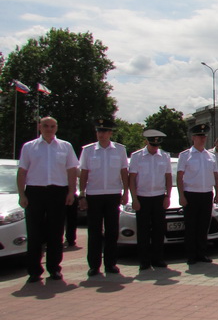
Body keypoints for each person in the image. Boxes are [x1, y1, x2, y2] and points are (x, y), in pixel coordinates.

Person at [17, 116, 79, 282]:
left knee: (56, 233)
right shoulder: (29, 147)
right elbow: (22, 172)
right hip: (35, 192)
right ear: (39, 127)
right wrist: (22, 194)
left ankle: (54, 269)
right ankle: (34, 271)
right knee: (34, 233)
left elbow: (72, 170)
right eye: (45, 126)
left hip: (57, 192)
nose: (49, 129)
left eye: (52, 126)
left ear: (56, 128)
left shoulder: (65, 146)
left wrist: (71, 192)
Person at [78, 118, 129, 277]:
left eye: (105, 131)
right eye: (99, 131)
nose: (102, 134)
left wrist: (125, 192)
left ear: (110, 133)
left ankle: (110, 264)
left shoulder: (119, 150)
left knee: (112, 231)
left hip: (113, 194)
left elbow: (123, 172)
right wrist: (82, 195)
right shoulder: (88, 150)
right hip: (94, 194)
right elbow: (84, 174)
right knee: (94, 232)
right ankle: (94, 265)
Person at [177, 123, 218, 264]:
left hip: (206, 193)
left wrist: (217, 192)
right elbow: (179, 177)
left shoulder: (210, 156)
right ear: (193, 138)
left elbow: (215, 176)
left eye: (204, 136)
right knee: (191, 226)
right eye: (200, 136)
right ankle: (191, 255)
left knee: (203, 226)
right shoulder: (185, 155)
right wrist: (181, 195)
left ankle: (202, 253)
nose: (203, 139)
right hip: (191, 194)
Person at [128, 129, 171, 271]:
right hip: (142, 197)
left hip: (159, 197)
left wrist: (167, 196)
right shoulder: (137, 156)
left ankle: (158, 259)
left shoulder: (164, 156)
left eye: (157, 145)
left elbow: (168, 177)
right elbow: (132, 179)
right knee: (143, 231)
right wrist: (134, 199)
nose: (154, 148)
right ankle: (144, 261)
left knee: (159, 230)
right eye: (152, 144)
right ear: (147, 142)